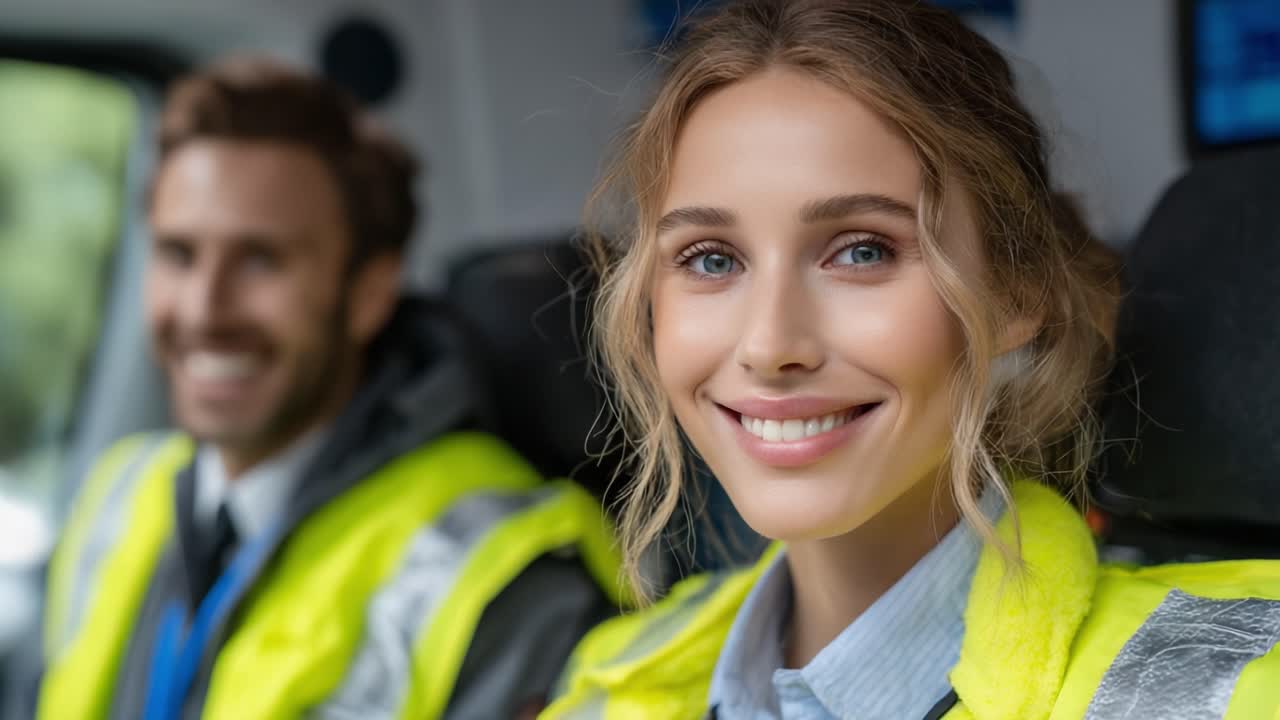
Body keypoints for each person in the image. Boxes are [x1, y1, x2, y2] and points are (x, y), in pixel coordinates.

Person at [542, 1, 1280, 718]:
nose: (769, 345)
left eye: (862, 251)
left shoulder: (1224, 694)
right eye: (710, 260)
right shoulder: (606, 687)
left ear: (1014, 289)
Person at [38, 57, 624, 720]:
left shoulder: (498, 576)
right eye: (178, 254)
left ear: (369, 292)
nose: (203, 309)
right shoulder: (119, 496)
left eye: (261, 260)